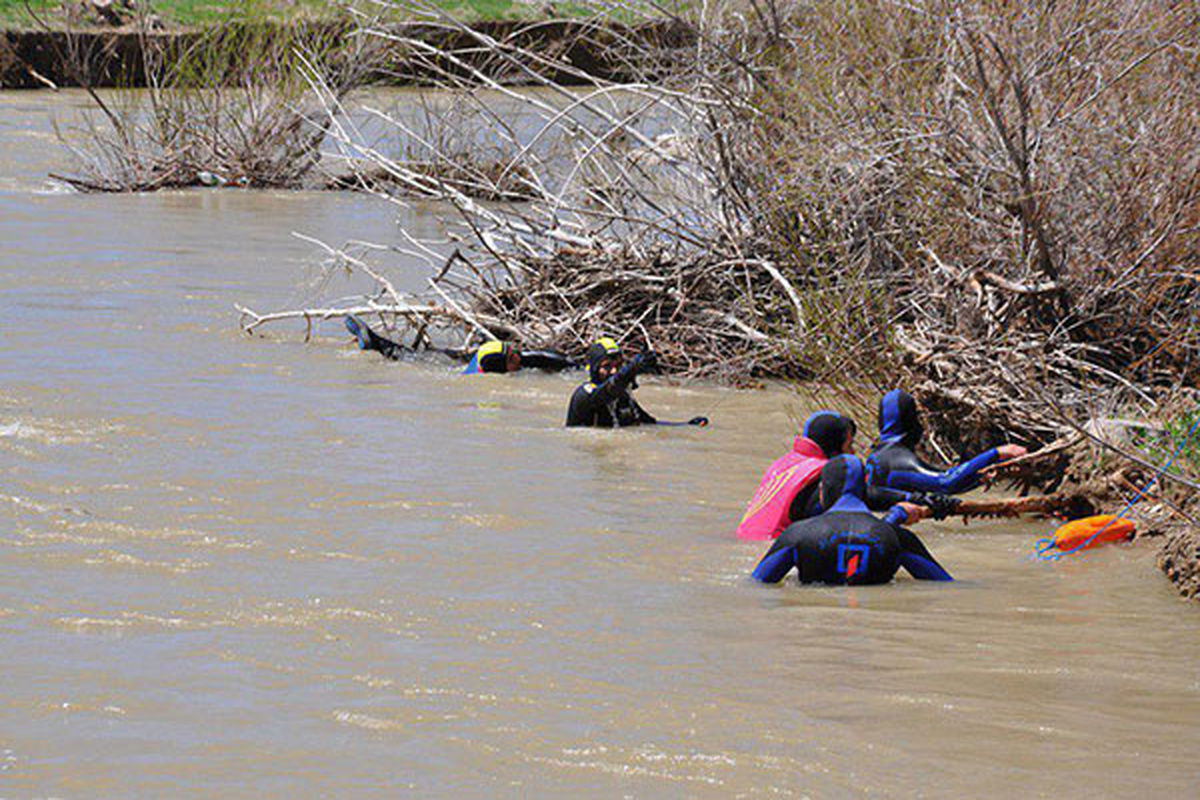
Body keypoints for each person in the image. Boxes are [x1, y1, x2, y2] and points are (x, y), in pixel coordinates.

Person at [735, 411, 959, 541]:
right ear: (834, 446)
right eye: (849, 445)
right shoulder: (820, 472)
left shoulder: (784, 464)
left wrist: (916, 500)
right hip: (773, 545)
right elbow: (861, 496)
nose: (853, 453)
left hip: (748, 541)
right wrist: (920, 501)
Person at [751, 454, 954, 586]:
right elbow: (944, 586)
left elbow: (756, 585)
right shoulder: (897, 538)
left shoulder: (797, 534)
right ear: (865, 492)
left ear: (822, 492)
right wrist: (895, 518)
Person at [866, 389, 1027, 495]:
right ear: (909, 420)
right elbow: (945, 482)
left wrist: (978, 478)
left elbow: (941, 487)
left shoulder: (878, 455)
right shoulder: (897, 458)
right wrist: (997, 453)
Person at [344, 315, 575, 374]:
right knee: (407, 358)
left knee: (410, 354)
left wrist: (573, 365)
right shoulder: (479, 372)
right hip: (445, 364)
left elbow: (542, 357)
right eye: (513, 358)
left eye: (516, 354)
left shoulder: (513, 360)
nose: (519, 358)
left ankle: (372, 338)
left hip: (456, 356)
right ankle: (373, 341)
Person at [565, 338, 708, 428]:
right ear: (595, 369)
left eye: (619, 365)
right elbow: (606, 393)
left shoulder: (624, 396)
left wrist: (685, 425)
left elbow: (648, 423)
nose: (614, 371)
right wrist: (632, 369)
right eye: (607, 366)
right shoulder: (584, 394)